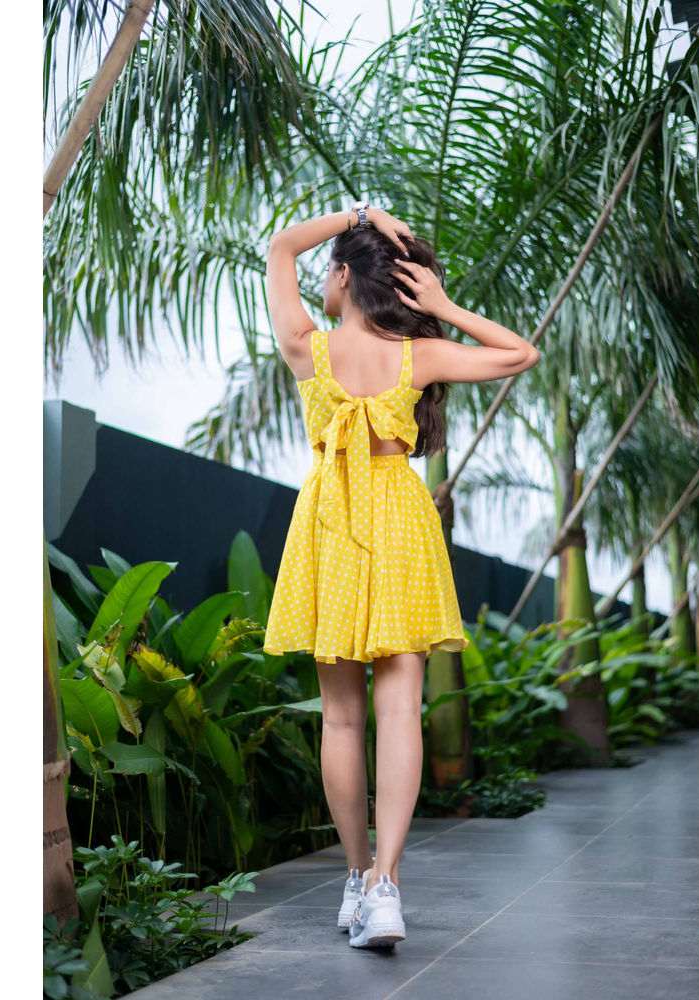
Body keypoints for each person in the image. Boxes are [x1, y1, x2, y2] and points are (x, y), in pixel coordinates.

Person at [262, 202, 540, 948]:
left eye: (329, 271)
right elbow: (520, 354)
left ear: (342, 276)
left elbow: (281, 247)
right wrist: (443, 308)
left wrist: (358, 214)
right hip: (399, 518)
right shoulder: (419, 357)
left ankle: (357, 878)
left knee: (341, 719)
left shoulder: (306, 348)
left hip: (329, 520)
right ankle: (385, 886)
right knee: (398, 712)